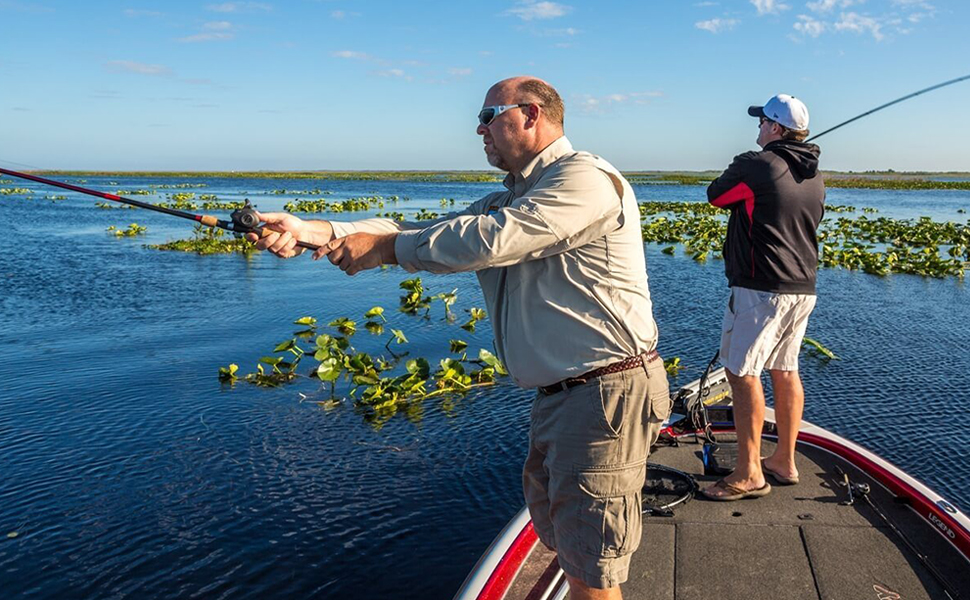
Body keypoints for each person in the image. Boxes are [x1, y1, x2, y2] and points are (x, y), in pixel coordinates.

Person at [247, 76, 670, 599]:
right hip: (565, 397)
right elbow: (412, 227)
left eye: (489, 115)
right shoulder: (510, 196)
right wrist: (319, 230)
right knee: (570, 548)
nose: (479, 128)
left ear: (532, 114)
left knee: (592, 568)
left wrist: (384, 250)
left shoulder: (584, 178)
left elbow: (493, 238)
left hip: (604, 394)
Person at [701, 94, 825, 501]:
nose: (756, 129)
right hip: (802, 288)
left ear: (775, 128)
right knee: (785, 369)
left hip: (760, 288)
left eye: (761, 123)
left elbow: (716, 195)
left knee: (741, 372)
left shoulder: (757, 164)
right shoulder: (815, 176)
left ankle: (749, 472)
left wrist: (743, 163)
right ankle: (784, 461)